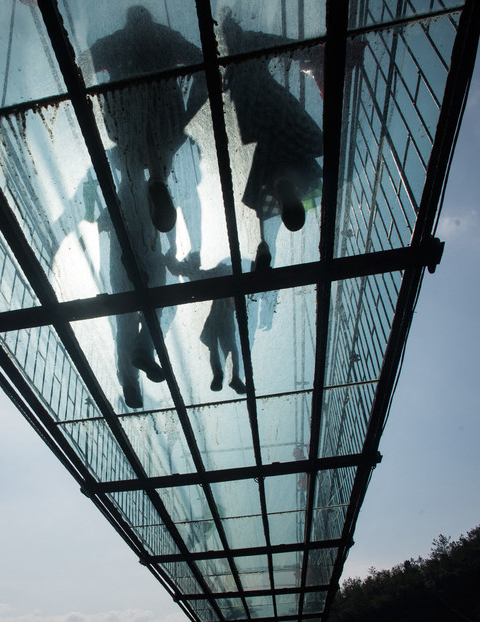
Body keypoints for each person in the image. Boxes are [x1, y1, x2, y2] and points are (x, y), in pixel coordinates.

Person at [218, 10, 324, 270]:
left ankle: (292, 186)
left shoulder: (231, 61)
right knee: (260, 195)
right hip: (259, 118)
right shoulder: (244, 50)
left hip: (273, 115)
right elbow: (279, 45)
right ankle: (285, 185)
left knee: (256, 56)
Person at [90, 5, 207, 234]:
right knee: (142, 146)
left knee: (156, 143)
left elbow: (84, 64)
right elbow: (199, 60)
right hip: (156, 109)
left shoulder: (116, 42)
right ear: (150, 19)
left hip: (133, 111)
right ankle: (154, 181)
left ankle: (154, 181)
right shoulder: (165, 37)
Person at [164, 253, 247, 395]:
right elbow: (195, 275)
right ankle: (228, 376)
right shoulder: (225, 272)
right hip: (223, 315)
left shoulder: (222, 272)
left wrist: (173, 263)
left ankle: (222, 374)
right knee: (227, 346)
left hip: (221, 314)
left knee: (218, 346)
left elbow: (195, 275)